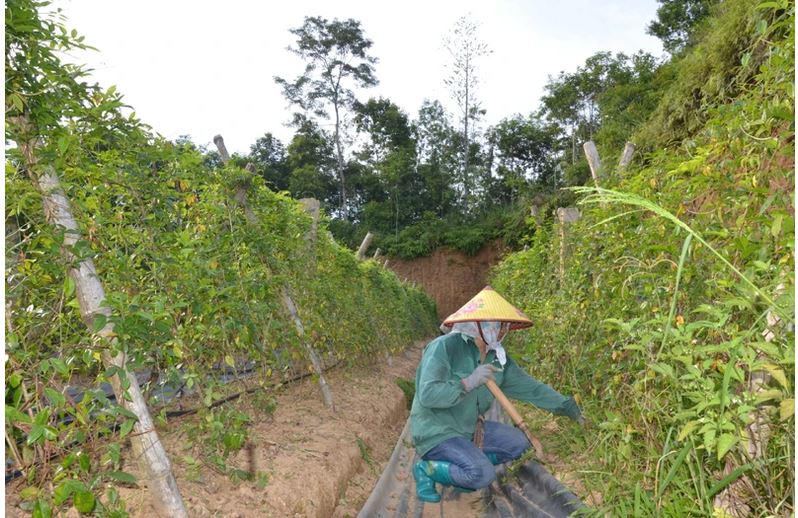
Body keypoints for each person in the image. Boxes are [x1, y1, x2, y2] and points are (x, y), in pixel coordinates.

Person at [410, 286, 584, 503]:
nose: (503, 331)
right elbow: (428, 394)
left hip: (469, 428)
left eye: (506, 326)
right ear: (479, 324)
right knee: (482, 474)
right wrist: (467, 383)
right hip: (437, 431)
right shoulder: (444, 347)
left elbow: (532, 388)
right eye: (499, 325)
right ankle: (427, 468)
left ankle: (462, 470)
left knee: (519, 444)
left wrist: (568, 407)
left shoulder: (497, 358)